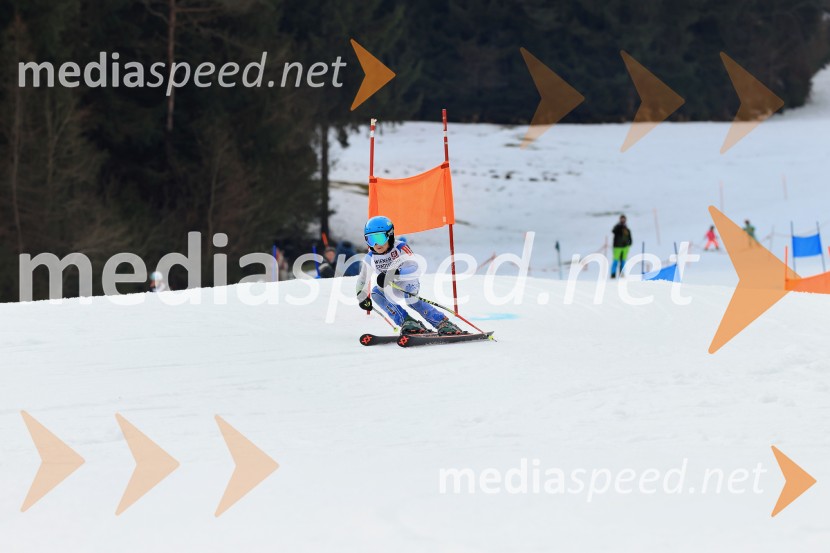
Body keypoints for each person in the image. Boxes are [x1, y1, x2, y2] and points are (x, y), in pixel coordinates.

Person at [356, 215, 462, 335]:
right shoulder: (370, 257)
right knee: (376, 293)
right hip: (391, 287)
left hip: (408, 282)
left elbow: (416, 269)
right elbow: (362, 279)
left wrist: (394, 274)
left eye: (380, 238)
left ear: (390, 235)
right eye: (370, 239)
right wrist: (362, 297)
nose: (376, 244)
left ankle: (442, 322)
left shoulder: (400, 247)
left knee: (411, 300)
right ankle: (407, 322)